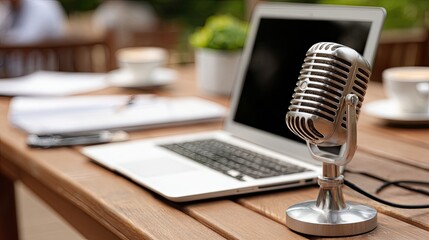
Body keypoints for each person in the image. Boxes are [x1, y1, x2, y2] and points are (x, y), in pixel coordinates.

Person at [0, 0, 66, 45]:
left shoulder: (41, 6)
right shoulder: (13, 8)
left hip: (43, 61)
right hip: (27, 59)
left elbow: (28, 39)